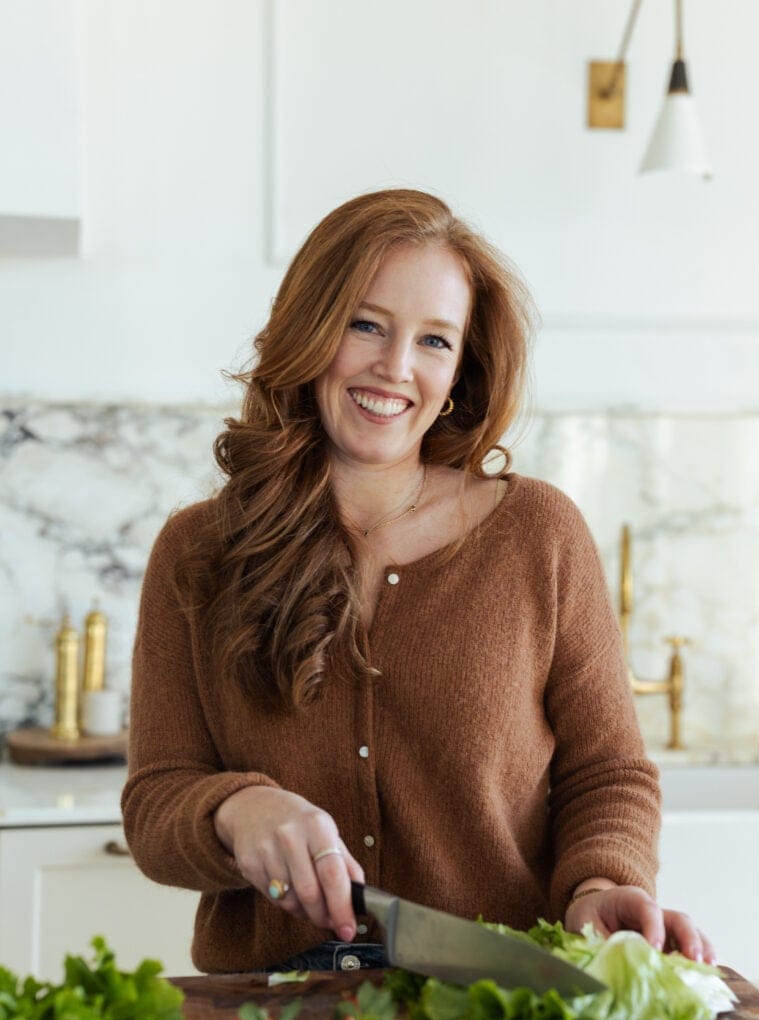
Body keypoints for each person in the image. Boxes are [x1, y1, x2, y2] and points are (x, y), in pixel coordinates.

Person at [122, 188, 715, 975]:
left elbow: (607, 771)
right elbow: (158, 799)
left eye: (434, 341)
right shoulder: (197, 550)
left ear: (462, 367)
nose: (395, 368)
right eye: (365, 324)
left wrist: (600, 882)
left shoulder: (539, 535)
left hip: (497, 1014)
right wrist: (236, 808)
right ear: (309, 328)